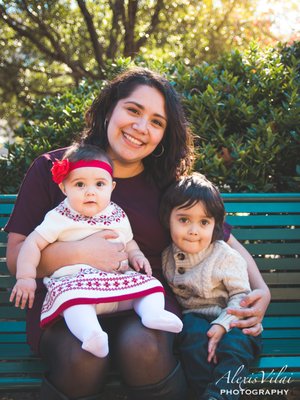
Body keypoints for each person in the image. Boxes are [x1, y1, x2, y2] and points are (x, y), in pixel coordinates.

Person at [5, 67, 270, 400]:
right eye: (133, 110)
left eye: (157, 122)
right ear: (109, 110)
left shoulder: (167, 183)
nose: (141, 127)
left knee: (143, 346)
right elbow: (16, 257)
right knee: (83, 356)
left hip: (144, 299)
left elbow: (223, 238)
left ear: (164, 134)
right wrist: (79, 252)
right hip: (68, 301)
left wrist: (260, 290)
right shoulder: (54, 169)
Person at [10, 143, 183, 359]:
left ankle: (152, 313)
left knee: (150, 286)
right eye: (80, 184)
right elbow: (32, 243)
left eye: (99, 184)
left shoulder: (115, 214)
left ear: (111, 187)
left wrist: (136, 256)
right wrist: (25, 276)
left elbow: (128, 242)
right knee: (73, 305)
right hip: (76, 284)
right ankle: (91, 334)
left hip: (115, 284)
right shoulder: (59, 217)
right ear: (64, 188)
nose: (90, 192)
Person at [160, 172, 262, 400]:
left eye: (203, 222)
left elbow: (241, 297)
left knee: (235, 347)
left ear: (216, 225)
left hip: (234, 318)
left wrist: (223, 325)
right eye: (184, 220)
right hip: (195, 318)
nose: (193, 230)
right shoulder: (168, 256)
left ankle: (222, 395)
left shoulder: (226, 256)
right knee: (193, 341)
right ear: (168, 219)